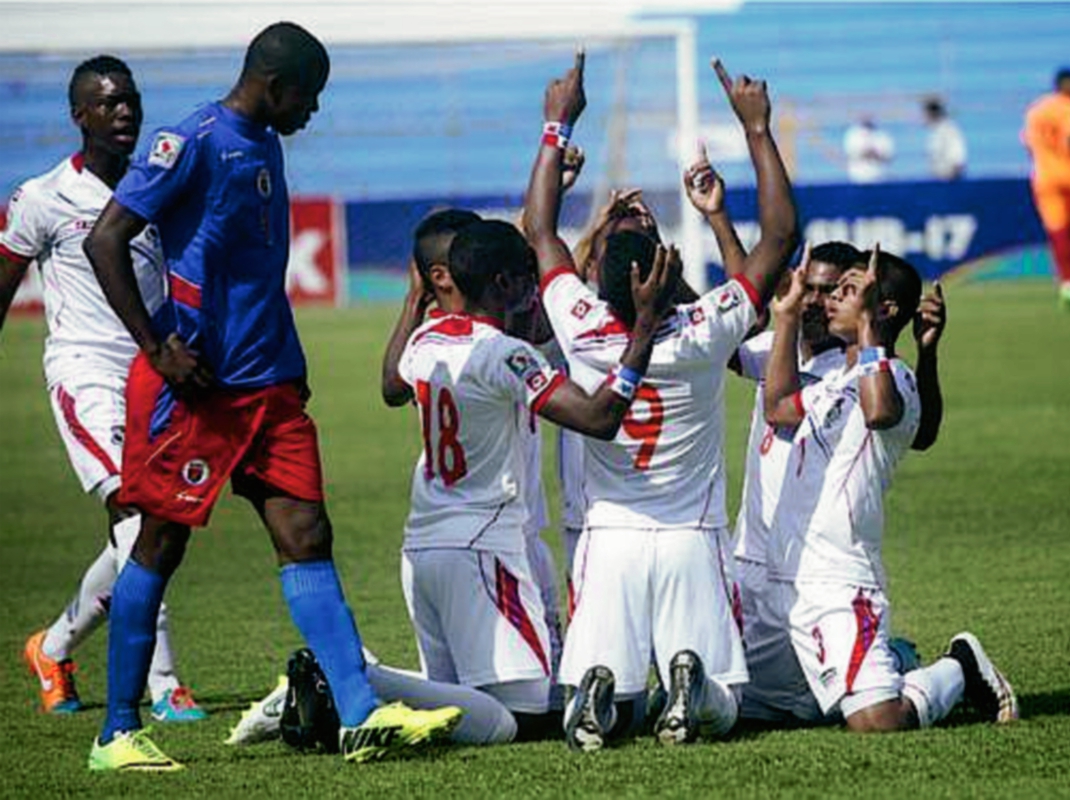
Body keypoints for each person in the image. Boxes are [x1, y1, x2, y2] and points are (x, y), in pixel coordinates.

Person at [82, 22, 461, 771]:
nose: (312, 114)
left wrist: (285, 358)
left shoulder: (268, 142)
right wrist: (159, 346)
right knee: (161, 543)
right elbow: (106, 239)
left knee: (307, 534)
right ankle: (116, 732)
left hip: (270, 387)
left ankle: (359, 714)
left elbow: (255, 271)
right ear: (274, 85)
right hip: (201, 391)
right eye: (308, 99)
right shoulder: (189, 142)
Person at [525, 52, 799, 751]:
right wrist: (758, 128)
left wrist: (557, 124)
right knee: (724, 704)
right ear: (668, 269)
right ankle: (693, 684)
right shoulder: (705, 334)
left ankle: (597, 691)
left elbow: (541, 233)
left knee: (605, 705)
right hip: (689, 537)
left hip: (609, 538)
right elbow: (779, 239)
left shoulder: (582, 328)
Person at [388, 217, 673, 738]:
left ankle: (352, 687)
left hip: (424, 547)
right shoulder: (505, 355)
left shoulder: (427, 337)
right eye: (527, 278)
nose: (535, 290)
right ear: (504, 284)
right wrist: (645, 332)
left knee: (458, 704)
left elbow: (391, 383)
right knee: (524, 719)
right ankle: (357, 677)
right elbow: (598, 418)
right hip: (479, 548)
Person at [0, 55, 205, 723]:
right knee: (139, 519)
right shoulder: (42, 197)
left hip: (155, 377)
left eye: (130, 101)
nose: (123, 112)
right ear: (79, 114)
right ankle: (164, 683)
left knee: (156, 527)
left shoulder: (159, 187)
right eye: (107, 102)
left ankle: (53, 647)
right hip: (85, 375)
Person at [759, 244, 1018, 733]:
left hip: (839, 580)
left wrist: (874, 331)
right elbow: (777, 409)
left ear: (883, 306)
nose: (832, 299)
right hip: (783, 581)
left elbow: (881, 413)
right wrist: (787, 317)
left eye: (849, 290)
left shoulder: (892, 376)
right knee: (755, 710)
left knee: (878, 722)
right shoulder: (837, 376)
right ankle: (890, 660)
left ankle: (959, 666)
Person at [1022, 67, 1070, 310]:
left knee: (1058, 232)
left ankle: (1068, 285)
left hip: (1045, 178)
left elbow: (1027, 144)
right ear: (1068, 84)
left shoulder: (1036, 109)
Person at [923, 98, 967, 180]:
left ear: (932, 114)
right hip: (937, 180)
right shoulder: (934, 133)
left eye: (925, 115)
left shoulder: (949, 130)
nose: (924, 118)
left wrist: (953, 183)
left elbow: (958, 160)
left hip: (949, 181)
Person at [843, 116, 894, 184]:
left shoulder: (883, 136)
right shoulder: (852, 135)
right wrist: (865, 153)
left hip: (880, 177)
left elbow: (889, 157)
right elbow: (850, 154)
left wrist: (876, 154)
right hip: (858, 178)